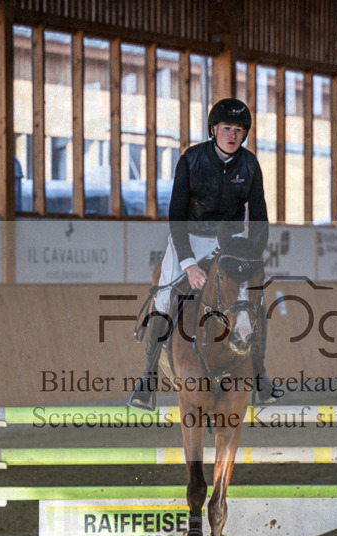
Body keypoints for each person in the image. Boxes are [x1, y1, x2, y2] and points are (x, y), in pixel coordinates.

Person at [127, 98, 281, 410]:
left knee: (255, 298)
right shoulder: (191, 160)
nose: (233, 135)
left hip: (231, 242)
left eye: (239, 130)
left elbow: (260, 215)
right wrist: (188, 264)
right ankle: (148, 379)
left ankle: (261, 376)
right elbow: (176, 213)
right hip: (189, 238)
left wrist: (253, 252)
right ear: (213, 129)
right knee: (163, 297)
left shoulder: (250, 164)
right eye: (227, 128)